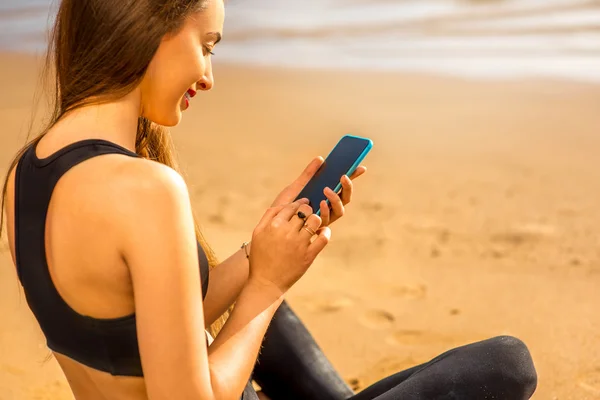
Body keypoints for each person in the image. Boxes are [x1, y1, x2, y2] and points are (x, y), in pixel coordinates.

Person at [0, 0, 538, 399]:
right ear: (150, 28)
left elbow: (131, 337)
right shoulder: (146, 190)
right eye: (206, 46)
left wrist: (266, 250)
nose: (208, 76)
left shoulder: (26, 172)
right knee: (507, 364)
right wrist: (267, 286)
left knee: (271, 317)